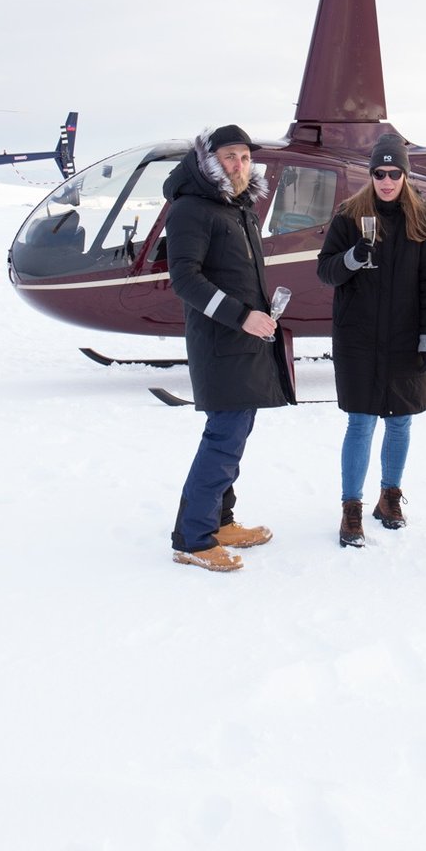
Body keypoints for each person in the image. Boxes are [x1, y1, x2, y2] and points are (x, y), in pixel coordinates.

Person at [163, 124, 297, 571]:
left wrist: (260, 312)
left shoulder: (236, 207)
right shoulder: (190, 209)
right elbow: (185, 278)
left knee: (234, 436)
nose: (238, 165)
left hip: (247, 341)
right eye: (228, 157)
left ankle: (220, 521)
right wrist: (242, 315)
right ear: (208, 160)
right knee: (223, 439)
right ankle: (194, 539)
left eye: (243, 157)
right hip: (221, 342)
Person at [316, 137, 426, 547]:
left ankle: (389, 497)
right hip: (358, 340)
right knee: (360, 422)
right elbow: (326, 272)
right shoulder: (349, 215)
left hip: (405, 339)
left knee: (400, 422)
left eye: (394, 173)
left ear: (405, 175)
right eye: (379, 173)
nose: (387, 181)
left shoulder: (424, 218)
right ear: (370, 175)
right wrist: (353, 257)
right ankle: (351, 508)